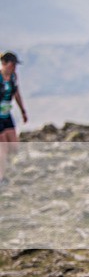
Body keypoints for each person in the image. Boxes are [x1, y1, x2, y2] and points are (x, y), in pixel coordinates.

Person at [0, 51, 27, 184]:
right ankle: (1, 177)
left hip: (6, 115)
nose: (14, 68)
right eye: (12, 65)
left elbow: (16, 93)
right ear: (4, 64)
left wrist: (23, 110)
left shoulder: (13, 77)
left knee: (13, 146)